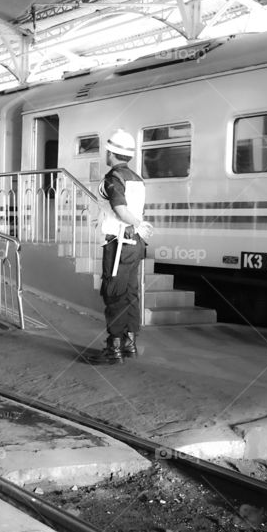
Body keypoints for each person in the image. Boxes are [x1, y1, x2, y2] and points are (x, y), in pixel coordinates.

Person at [95, 129, 153, 364]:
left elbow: (120, 209)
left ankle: (114, 348)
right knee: (130, 292)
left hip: (118, 243)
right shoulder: (137, 179)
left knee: (114, 292)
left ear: (111, 153)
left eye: (107, 151)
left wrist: (137, 224)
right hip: (135, 244)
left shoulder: (113, 178)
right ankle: (129, 342)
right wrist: (138, 227)